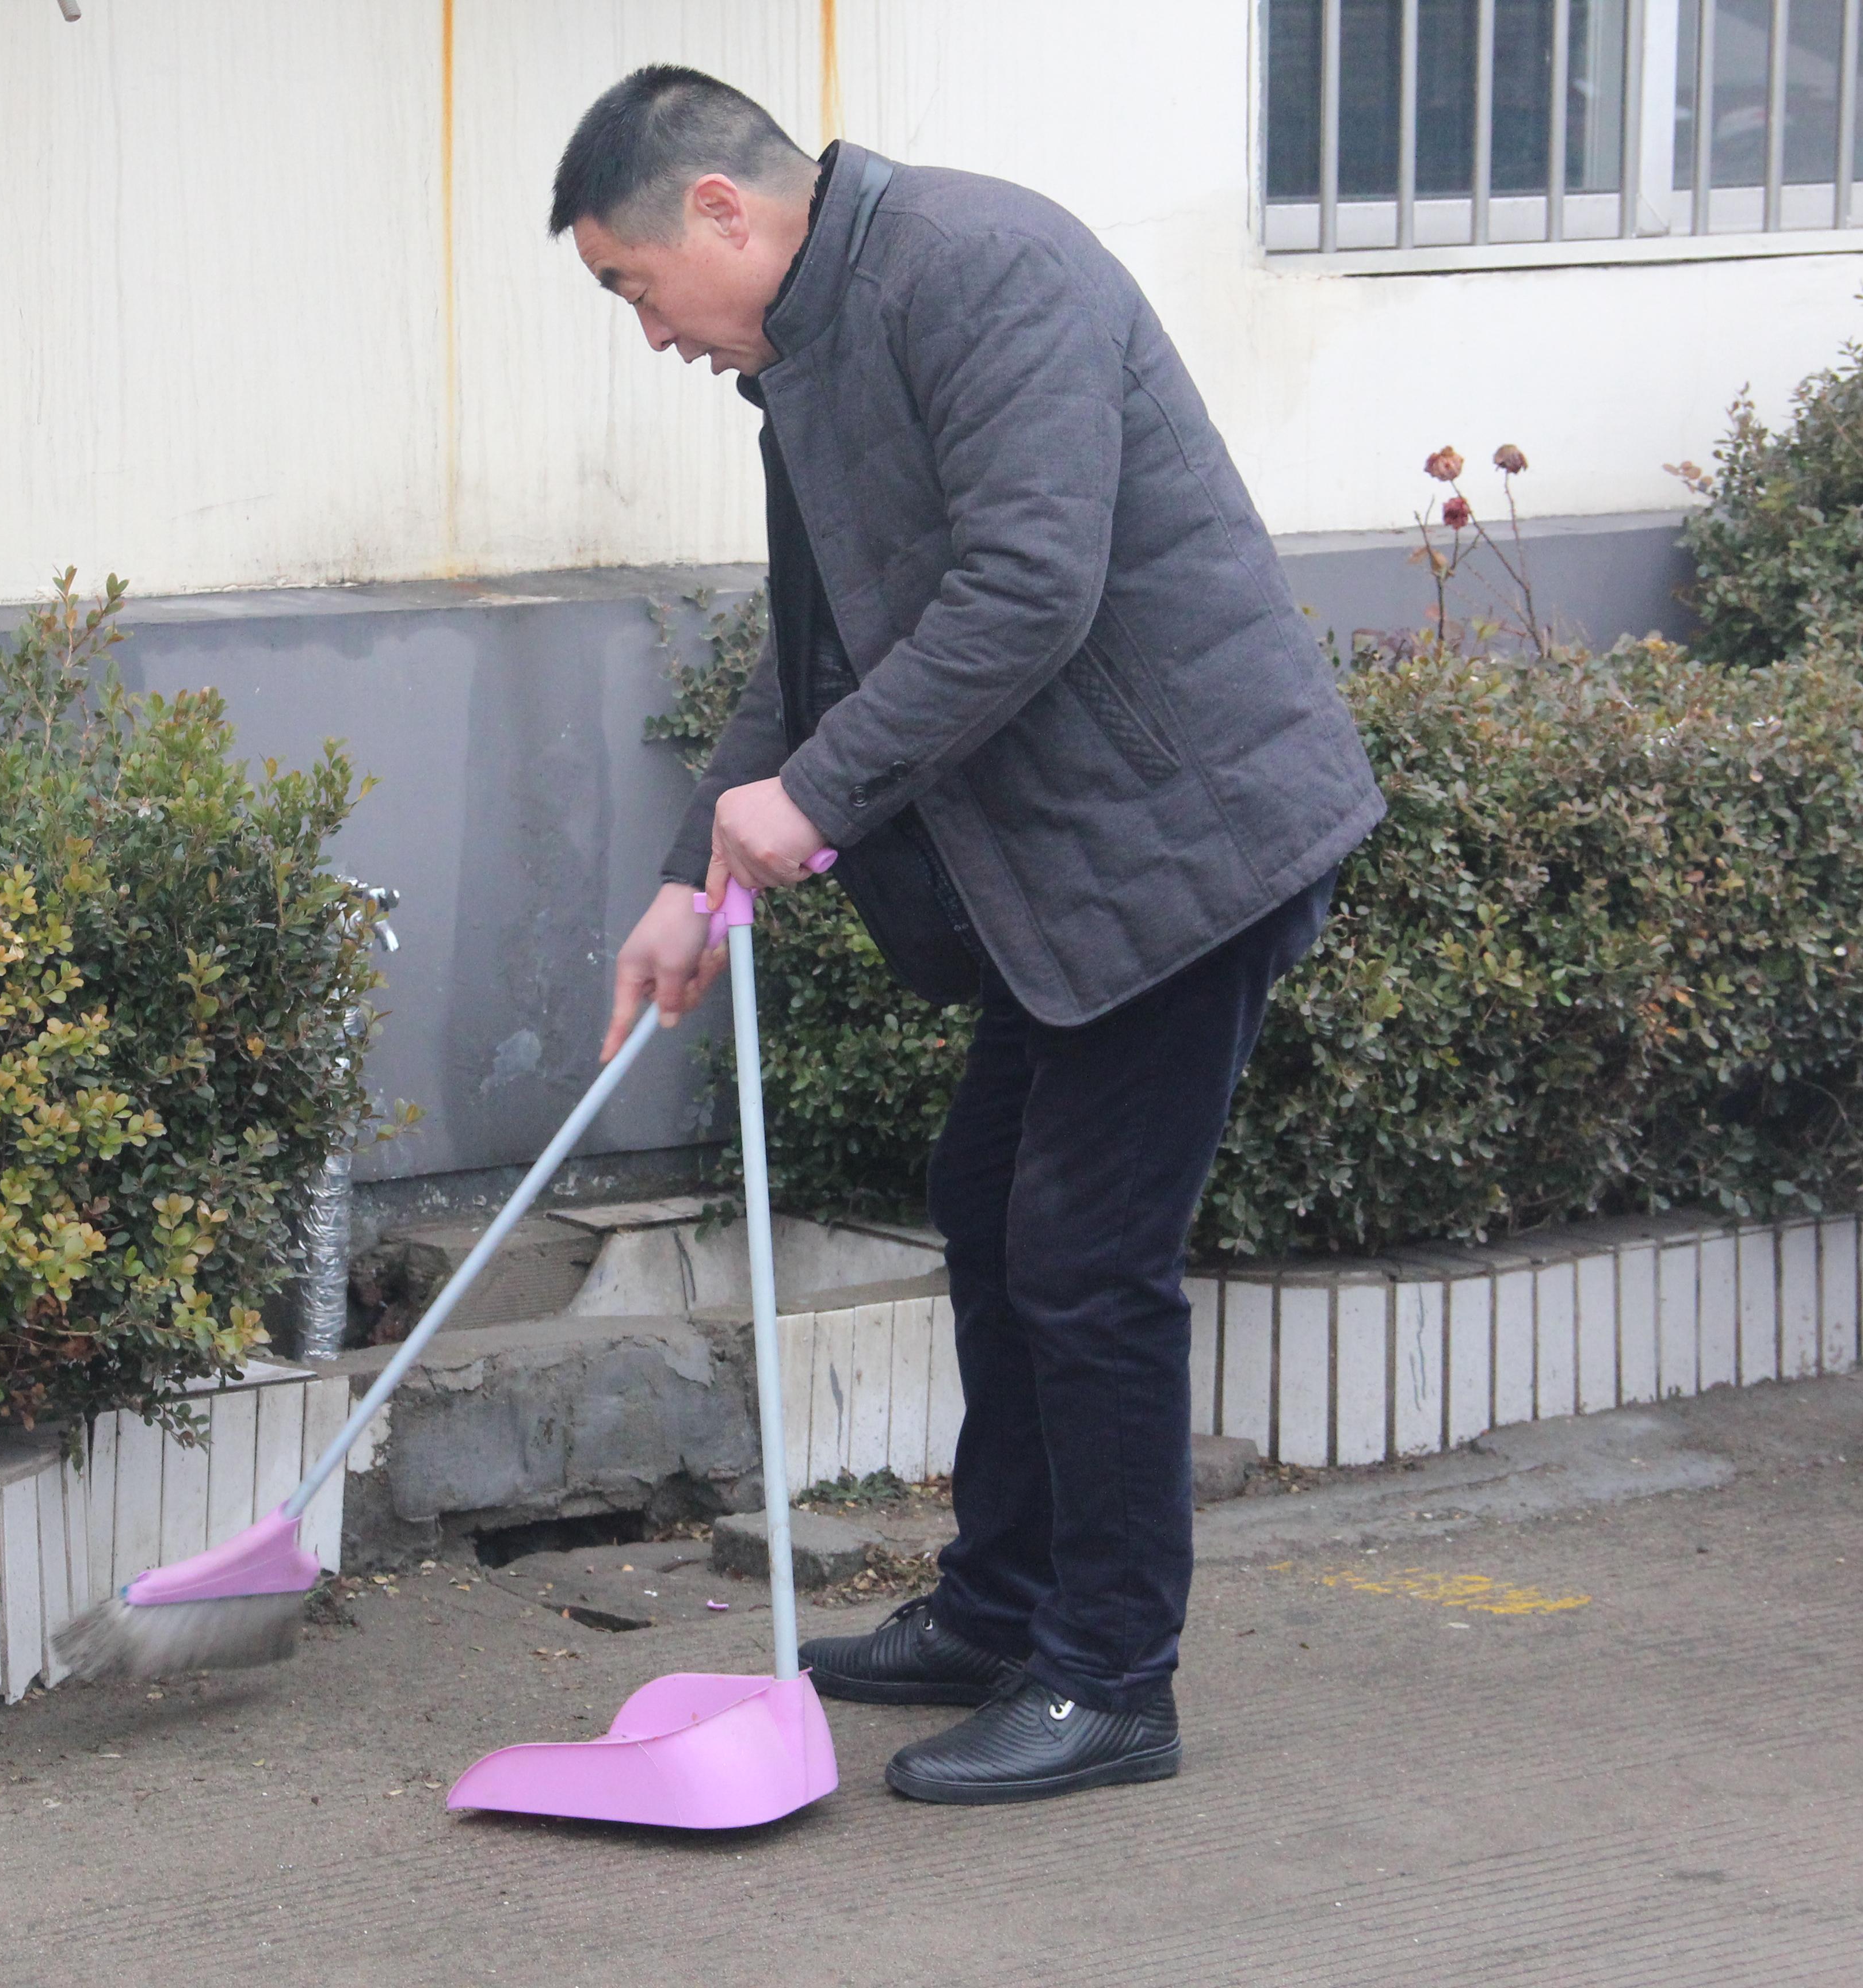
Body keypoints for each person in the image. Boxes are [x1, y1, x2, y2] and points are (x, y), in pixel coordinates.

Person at [555, 67, 1381, 1805]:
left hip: (1187, 843)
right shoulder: (814, 351)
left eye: (634, 287)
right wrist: (692, 878)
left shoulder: (983, 266)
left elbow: (1028, 586)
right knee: (991, 1206)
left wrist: (819, 798)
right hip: (1076, 872)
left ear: (720, 211)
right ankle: (1002, 1610)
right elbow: (816, 655)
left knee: (1081, 1249)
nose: (652, 334)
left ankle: (1111, 1681)